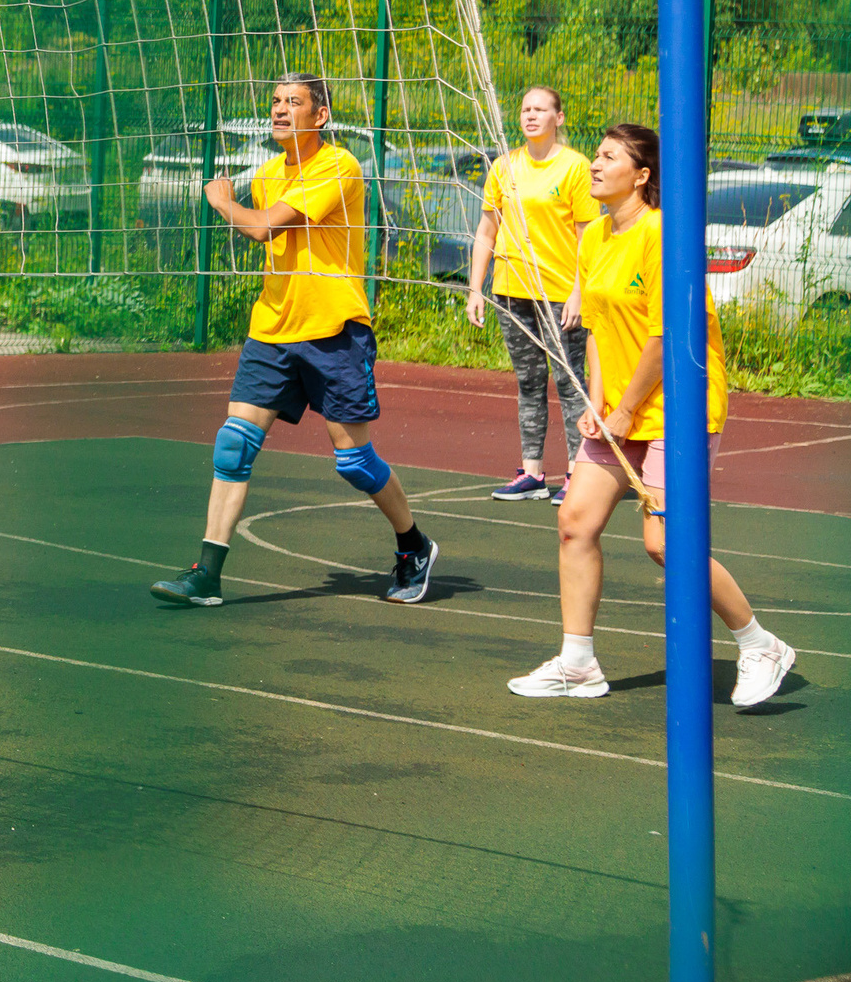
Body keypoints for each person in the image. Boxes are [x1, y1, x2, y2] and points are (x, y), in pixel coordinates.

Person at [508, 122, 796, 709]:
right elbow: (594, 333)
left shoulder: (664, 234)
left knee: (666, 541)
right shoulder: (592, 238)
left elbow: (666, 340)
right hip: (621, 410)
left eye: (608, 157)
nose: (593, 164)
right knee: (575, 523)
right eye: (595, 154)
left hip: (679, 408)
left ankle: (761, 643)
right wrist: (596, 403)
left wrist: (627, 408)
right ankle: (578, 663)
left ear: (641, 175)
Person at [151, 74, 438, 607]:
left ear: (320, 115)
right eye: (276, 103)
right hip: (274, 329)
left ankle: (413, 545)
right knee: (234, 445)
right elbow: (268, 229)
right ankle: (206, 573)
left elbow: (263, 228)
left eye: (294, 102)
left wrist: (221, 203)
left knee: (354, 462)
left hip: (333, 329)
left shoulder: (339, 166)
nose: (281, 111)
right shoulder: (265, 174)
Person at [466, 86, 597, 502]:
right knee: (528, 381)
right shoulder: (504, 167)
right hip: (510, 292)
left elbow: (587, 238)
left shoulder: (575, 168)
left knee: (570, 381)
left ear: (558, 118)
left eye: (540, 109)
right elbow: (487, 231)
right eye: (525, 109)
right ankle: (533, 473)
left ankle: (578, 472)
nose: (531, 115)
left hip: (559, 292)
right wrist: (475, 289)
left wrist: (579, 291)